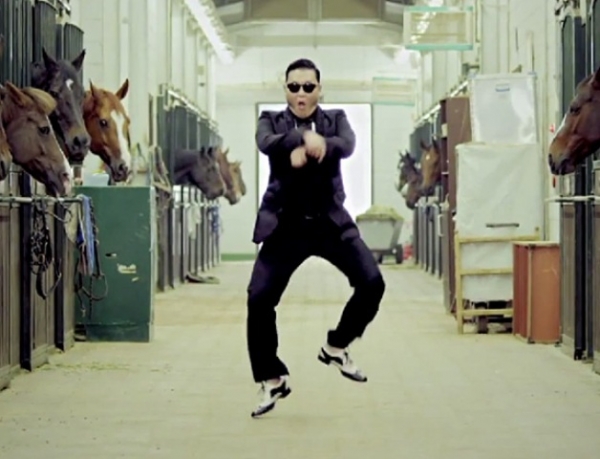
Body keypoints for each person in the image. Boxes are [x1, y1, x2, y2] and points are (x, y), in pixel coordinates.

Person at [247, 58, 386, 418]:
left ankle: (336, 346)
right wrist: (297, 138)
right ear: (286, 90)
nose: (301, 93)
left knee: (372, 283)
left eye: (308, 87)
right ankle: (272, 378)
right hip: (285, 227)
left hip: (329, 224)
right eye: (294, 87)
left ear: (319, 90)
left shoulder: (335, 119)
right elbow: (266, 143)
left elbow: (347, 144)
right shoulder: (271, 121)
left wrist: (318, 142)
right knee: (258, 299)